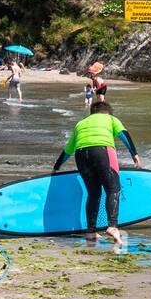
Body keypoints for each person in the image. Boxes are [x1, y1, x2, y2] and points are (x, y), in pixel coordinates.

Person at [52, 100, 141, 243]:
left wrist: (57, 166)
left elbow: (68, 150)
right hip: (102, 151)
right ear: (108, 112)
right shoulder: (111, 118)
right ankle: (112, 226)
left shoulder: (80, 124)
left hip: (81, 155)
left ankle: (91, 231)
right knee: (113, 189)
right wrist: (134, 154)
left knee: (94, 193)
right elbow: (124, 134)